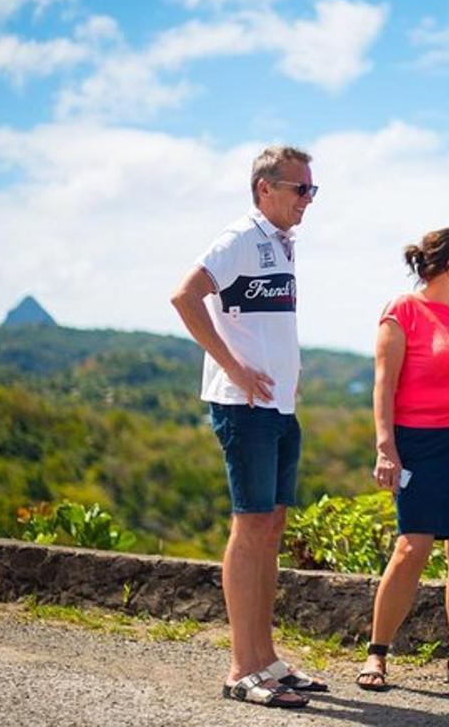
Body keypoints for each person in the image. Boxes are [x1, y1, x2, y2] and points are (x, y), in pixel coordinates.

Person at [169, 145, 325, 710]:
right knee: (250, 527)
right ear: (266, 188)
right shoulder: (239, 237)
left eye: (312, 189)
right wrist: (233, 368)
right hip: (244, 408)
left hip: (279, 408)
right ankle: (242, 667)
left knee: (271, 529)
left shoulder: (281, 243)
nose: (308, 199)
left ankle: (266, 659)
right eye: (300, 189)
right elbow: (184, 296)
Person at [356, 228, 449, 695]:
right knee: (412, 547)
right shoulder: (402, 311)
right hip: (420, 441)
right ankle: (377, 653)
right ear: (446, 264)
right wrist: (385, 447)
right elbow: (384, 385)